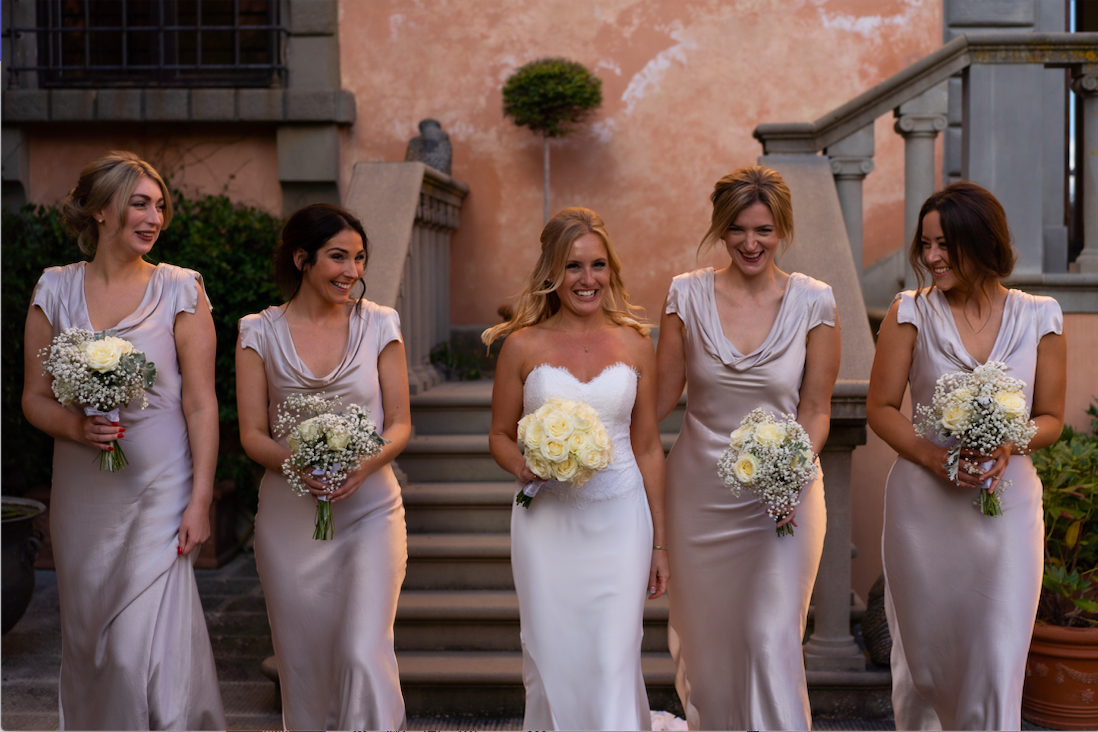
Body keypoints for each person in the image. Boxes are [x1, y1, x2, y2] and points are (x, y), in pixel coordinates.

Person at [21, 151, 225, 729]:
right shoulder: (54, 290)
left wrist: (201, 498)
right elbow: (34, 398)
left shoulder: (182, 289)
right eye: (140, 203)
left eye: (160, 206)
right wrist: (77, 427)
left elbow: (201, 401)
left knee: (142, 642)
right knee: (90, 643)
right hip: (84, 496)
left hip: (161, 488)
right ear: (101, 211)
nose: (154, 217)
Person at [867, 181, 1065, 730]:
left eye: (945, 246)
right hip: (923, 513)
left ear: (982, 242)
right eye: (925, 244)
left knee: (998, 653)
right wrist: (933, 458)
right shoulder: (911, 313)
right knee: (928, 663)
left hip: (1007, 511)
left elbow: (1050, 416)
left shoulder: (1040, 317)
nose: (931, 257)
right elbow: (881, 407)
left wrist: (1009, 441)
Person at [655, 166, 840, 730]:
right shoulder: (685, 295)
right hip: (698, 496)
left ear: (781, 227)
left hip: (783, 500)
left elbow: (815, 409)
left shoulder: (815, 301)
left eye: (763, 229)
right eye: (737, 230)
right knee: (709, 654)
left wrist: (791, 473)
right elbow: (659, 399)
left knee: (770, 637)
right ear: (720, 229)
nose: (750, 243)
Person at [484, 207, 669, 731]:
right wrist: (523, 465)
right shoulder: (520, 345)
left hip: (620, 517)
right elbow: (498, 434)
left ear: (611, 270)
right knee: (552, 658)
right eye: (572, 267)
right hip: (546, 522)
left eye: (597, 266)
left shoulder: (636, 342)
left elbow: (649, 445)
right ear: (550, 273)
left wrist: (660, 543)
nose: (587, 280)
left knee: (613, 657)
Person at [236, 204, 410, 730]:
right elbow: (251, 435)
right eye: (338, 257)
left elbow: (400, 423)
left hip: (371, 510)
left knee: (363, 650)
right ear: (302, 258)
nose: (352, 271)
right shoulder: (256, 331)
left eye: (359, 258)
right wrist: (298, 464)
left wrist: (363, 464)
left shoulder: (380, 323)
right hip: (290, 520)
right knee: (304, 664)